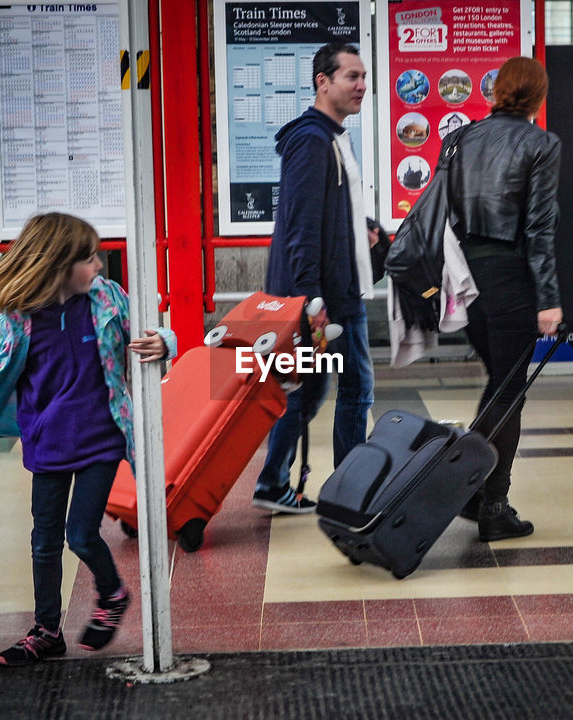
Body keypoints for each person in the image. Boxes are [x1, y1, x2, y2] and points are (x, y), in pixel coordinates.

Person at [0, 213, 177, 666]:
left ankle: (112, 594)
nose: (98, 265)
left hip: (101, 438)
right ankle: (46, 631)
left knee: (81, 534)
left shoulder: (107, 300)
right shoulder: (19, 316)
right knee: (44, 541)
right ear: (58, 264)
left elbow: (151, 331)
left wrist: (165, 343)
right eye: (88, 258)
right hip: (47, 440)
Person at [253, 41, 381, 513]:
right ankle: (351, 496)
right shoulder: (311, 140)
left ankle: (271, 482)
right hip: (329, 298)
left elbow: (327, 217)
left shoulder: (330, 136)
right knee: (356, 390)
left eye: (364, 76)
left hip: (331, 288)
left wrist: (363, 232)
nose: (362, 86)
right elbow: (301, 226)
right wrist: (310, 299)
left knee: (308, 390)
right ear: (322, 82)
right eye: (352, 76)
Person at [446, 57, 562, 541]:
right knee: (509, 391)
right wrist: (548, 297)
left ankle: (476, 494)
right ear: (537, 96)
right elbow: (538, 228)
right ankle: (489, 503)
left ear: (496, 91)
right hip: (510, 278)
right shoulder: (541, 144)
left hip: (464, 278)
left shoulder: (461, 137)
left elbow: (442, 212)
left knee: (500, 384)